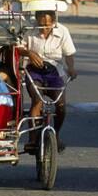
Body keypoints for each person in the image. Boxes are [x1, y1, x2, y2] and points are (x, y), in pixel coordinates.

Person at [20, 10, 77, 152]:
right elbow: (19, 47)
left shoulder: (63, 31)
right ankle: (32, 138)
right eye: (40, 25)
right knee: (37, 101)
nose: (44, 28)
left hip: (54, 71)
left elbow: (69, 54)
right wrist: (29, 53)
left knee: (61, 105)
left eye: (47, 25)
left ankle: (56, 134)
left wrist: (71, 68)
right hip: (34, 71)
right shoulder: (29, 29)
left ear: (53, 22)